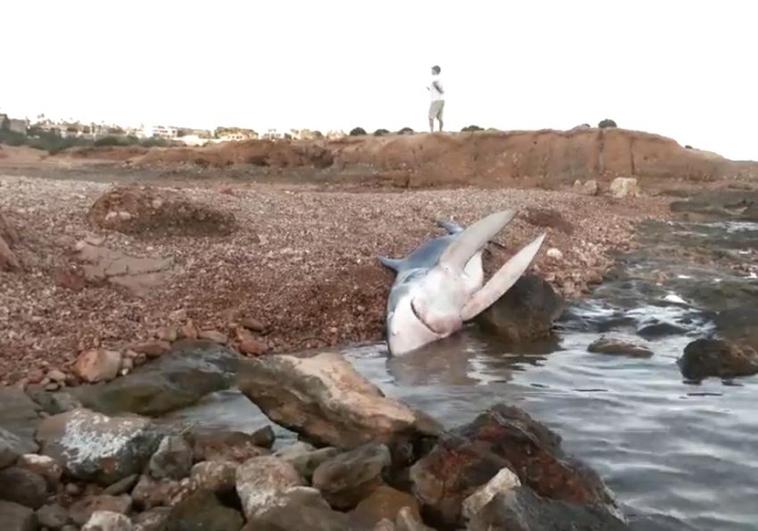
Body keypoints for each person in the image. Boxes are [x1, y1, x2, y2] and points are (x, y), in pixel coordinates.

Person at [427, 65, 444, 132]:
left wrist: (440, 90)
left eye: (432, 70)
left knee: (430, 117)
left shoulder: (435, 77)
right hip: (441, 100)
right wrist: (430, 89)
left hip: (435, 100)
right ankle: (440, 131)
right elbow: (435, 86)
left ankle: (432, 133)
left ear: (435, 71)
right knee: (440, 118)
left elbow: (435, 84)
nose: (431, 71)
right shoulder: (440, 78)